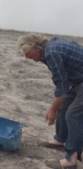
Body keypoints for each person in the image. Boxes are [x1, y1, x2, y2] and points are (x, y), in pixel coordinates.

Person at [17, 33, 83, 169]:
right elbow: (63, 83)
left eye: (27, 53)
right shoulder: (50, 48)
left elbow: (62, 87)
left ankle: (71, 160)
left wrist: (52, 110)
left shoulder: (52, 52)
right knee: (63, 106)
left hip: (80, 81)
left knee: (73, 115)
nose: (26, 57)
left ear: (36, 48)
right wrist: (56, 107)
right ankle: (60, 140)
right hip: (77, 80)